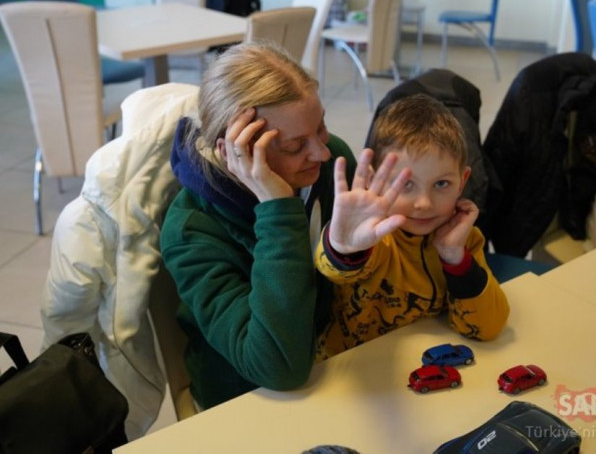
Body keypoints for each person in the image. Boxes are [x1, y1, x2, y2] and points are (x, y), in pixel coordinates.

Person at [160, 42, 358, 410]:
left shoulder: (333, 166)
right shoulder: (192, 231)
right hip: (247, 398)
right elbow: (279, 368)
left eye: (321, 127)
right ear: (236, 150)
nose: (322, 152)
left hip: (340, 363)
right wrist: (278, 210)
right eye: (295, 145)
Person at [314, 94, 510, 360]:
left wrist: (455, 258)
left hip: (426, 366)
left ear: (462, 181)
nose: (424, 203)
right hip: (352, 371)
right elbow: (335, 271)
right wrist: (343, 247)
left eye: (441, 184)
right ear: (376, 179)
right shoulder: (375, 236)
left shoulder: (462, 238)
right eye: (406, 184)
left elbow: (488, 328)